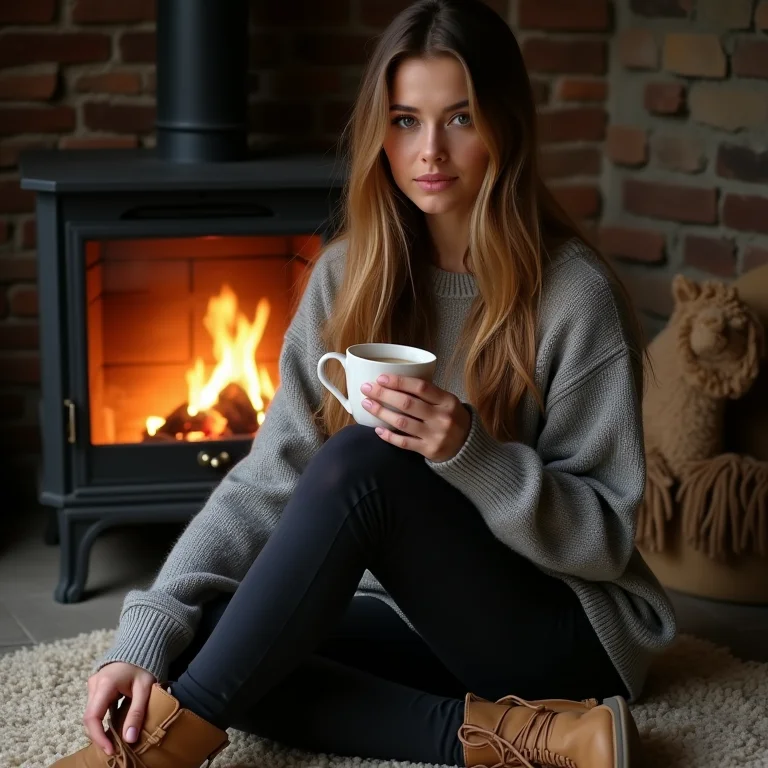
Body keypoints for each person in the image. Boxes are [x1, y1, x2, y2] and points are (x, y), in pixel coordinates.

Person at [51, 1, 677, 766]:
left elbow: (608, 540)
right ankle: (531, 740)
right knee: (209, 631)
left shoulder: (574, 294)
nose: (431, 152)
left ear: (507, 127)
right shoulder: (351, 275)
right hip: (434, 625)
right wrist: (144, 636)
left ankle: (160, 752)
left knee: (363, 464)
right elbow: (268, 479)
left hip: (572, 636)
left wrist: (470, 452)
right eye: (407, 120)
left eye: (461, 119)